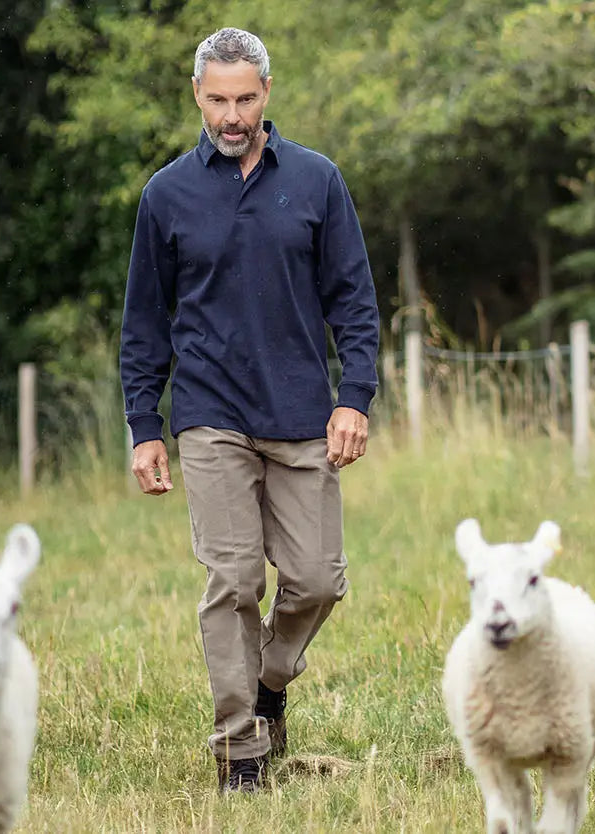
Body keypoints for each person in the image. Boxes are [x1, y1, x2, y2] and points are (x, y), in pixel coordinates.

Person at [118, 26, 381, 794]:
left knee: (318, 580)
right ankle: (240, 754)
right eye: (216, 99)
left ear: (266, 93)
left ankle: (269, 683)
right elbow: (144, 322)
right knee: (232, 582)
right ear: (197, 96)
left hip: (302, 414)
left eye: (244, 98)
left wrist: (353, 398)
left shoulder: (318, 180)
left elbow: (355, 303)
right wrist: (145, 426)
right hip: (209, 416)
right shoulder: (166, 195)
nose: (231, 115)